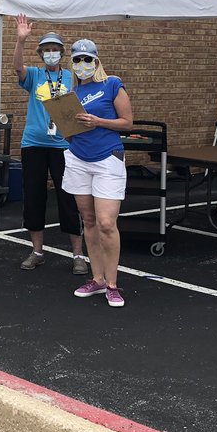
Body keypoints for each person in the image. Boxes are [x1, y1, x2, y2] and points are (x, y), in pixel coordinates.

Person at [11, 14, 86, 274]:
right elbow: (17, 68)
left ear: (62, 53)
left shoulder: (71, 77)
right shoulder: (33, 75)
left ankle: (78, 254)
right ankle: (37, 251)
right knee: (34, 197)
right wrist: (21, 41)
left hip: (64, 146)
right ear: (41, 53)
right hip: (34, 143)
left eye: (55, 49)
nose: (51, 54)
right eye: (47, 50)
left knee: (68, 198)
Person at [62, 39, 133, 308]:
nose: (82, 65)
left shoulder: (112, 84)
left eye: (87, 59)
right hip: (79, 159)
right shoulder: (71, 94)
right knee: (88, 220)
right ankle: (97, 278)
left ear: (97, 61)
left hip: (107, 159)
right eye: (77, 60)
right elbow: (69, 132)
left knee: (106, 222)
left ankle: (113, 284)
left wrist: (98, 122)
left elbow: (127, 123)